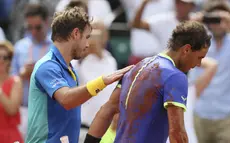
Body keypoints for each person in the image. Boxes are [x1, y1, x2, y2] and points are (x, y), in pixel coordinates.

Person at [84, 21, 212, 143]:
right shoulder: (175, 76)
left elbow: (106, 110)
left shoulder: (137, 67)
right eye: (199, 57)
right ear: (186, 49)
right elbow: (176, 132)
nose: (198, 64)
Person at [25, 7, 133, 143]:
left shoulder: (70, 69)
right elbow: (67, 99)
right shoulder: (47, 65)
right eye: (87, 37)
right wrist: (103, 81)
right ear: (76, 33)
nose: (88, 44)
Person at [189, 1, 230, 143]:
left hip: (228, 116)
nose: (217, 23)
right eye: (213, 19)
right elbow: (181, 52)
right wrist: (193, 28)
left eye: (220, 19)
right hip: (200, 114)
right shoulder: (198, 42)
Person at [11, 4, 52, 138]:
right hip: (23, 110)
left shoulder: (56, 46)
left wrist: (39, 73)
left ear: (47, 22)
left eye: (38, 27)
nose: (33, 32)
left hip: (48, 111)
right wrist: (21, 75)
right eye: (29, 28)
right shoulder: (20, 47)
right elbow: (9, 80)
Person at [0, 41, 23, 143]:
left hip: (9, 137)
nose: (1, 60)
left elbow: (12, 109)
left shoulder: (15, 81)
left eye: (5, 57)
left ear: (10, 60)